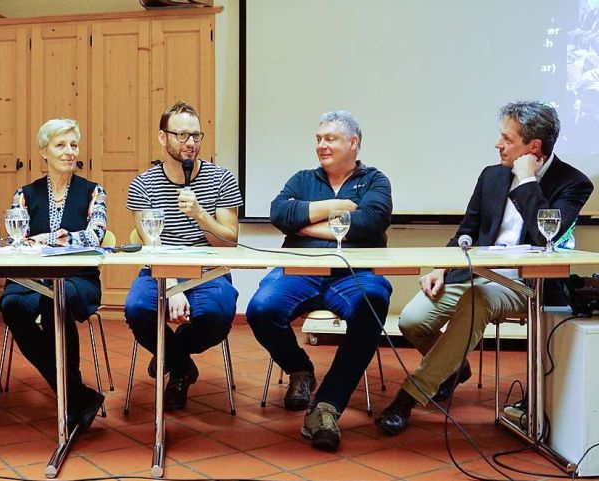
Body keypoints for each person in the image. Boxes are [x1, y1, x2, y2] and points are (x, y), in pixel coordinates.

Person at [374, 101, 594, 436]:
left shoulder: (573, 183)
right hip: (475, 274)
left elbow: (544, 233)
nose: (498, 144)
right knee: (412, 321)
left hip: (526, 285)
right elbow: (467, 229)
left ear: (533, 147)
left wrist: (526, 181)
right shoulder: (491, 175)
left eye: (506, 139)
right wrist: (441, 269)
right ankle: (452, 368)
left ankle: (409, 396)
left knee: (478, 300)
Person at [246, 111, 393, 451]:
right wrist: (338, 206)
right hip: (300, 270)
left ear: (353, 143)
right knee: (261, 308)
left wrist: (306, 222)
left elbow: (370, 222)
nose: (321, 145)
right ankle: (300, 370)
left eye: (330, 139)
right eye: (318, 139)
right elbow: (280, 214)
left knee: (374, 300)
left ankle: (327, 405)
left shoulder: (375, 180)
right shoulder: (302, 178)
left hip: (353, 273)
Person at [124, 100, 242, 411]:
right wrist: (172, 282)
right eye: (181, 136)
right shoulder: (143, 184)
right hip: (159, 268)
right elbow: (151, 243)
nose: (190, 144)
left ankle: (172, 358)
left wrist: (201, 215)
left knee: (217, 314)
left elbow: (229, 244)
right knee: (137, 309)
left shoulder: (222, 179)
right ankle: (181, 366)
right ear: (163, 137)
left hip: (209, 270)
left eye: (196, 136)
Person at [0, 118, 108, 432]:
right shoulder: (24, 193)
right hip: (30, 278)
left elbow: (94, 237)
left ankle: (72, 397)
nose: (69, 152)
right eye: (61, 145)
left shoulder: (93, 192)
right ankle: (76, 395)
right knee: (12, 307)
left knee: (55, 300)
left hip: (78, 278)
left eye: (73, 145)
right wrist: (57, 238)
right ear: (43, 151)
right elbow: (16, 239)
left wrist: (45, 239)